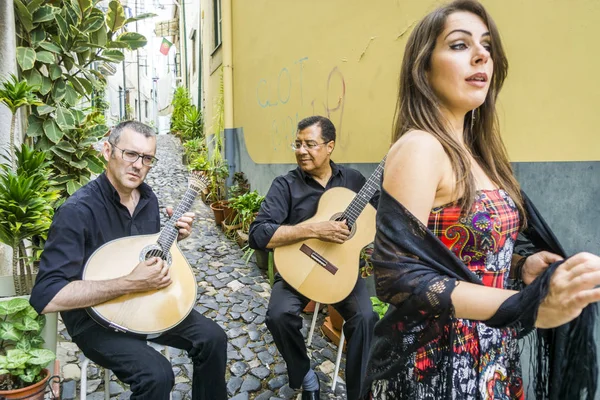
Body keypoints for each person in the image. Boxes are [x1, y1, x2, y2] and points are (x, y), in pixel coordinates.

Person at [364, 1, 600, 399]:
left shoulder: (480, 153)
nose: (481, 55)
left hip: (492, 361)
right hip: (438, 372)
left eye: (487, 45)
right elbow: (397, 277)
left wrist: (522, 267)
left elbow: (465, 254)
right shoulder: (421, 148)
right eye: (459, 45)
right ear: (423, 68)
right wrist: (526, 306)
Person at [29, 121, 227, 400]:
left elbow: (144, 253)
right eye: (130, 154)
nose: (138, 165)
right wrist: (128, 283)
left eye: (147, 158)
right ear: (108, 150)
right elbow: (46, 296)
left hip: (147, 304)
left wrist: (171, 240)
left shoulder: (147, 199)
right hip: (95, 319)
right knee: (157, 375)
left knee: (213, 339)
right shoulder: (76, 211)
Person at [249, 115, 379, 400]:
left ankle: (358, 393)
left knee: (366, 318)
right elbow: (258, 234)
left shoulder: (354, 180)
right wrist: (314, 229)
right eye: (297, 144)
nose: (301, 150)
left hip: (340, 271)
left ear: (330, 146)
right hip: (299, 269)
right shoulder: (285, 185)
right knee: (279, 315)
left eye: (310, 144)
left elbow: (381, 215)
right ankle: (305, 375)